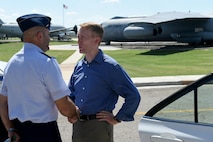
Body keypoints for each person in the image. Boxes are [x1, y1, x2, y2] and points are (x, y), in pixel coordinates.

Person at [0, 14, 78, 142]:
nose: (49, 39)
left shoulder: (11, 63)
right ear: (40, 36)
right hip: (43, 134)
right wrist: (74, 112)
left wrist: (10, 129)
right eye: (48, 35)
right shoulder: (47, 63)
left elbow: (2, 103)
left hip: (18, 133)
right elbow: (64, 107)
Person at [68, 22, 141, 142]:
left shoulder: (110, 66)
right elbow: (71, 93)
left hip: (99, 127)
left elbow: (133, 95)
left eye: (83, 38)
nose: (79, 41)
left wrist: (117, 118)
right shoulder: (79, 65)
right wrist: (71, 110)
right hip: (78, 126)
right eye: (78, 37)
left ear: (96, 40)